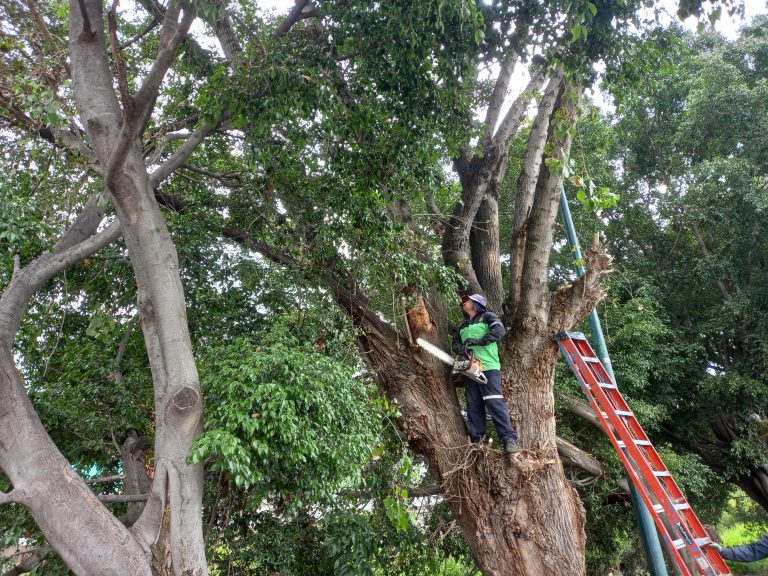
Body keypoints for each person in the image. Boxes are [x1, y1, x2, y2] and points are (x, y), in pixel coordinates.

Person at [451, 293, 519, 454]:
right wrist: (461, 348)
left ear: (476, 303)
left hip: (488, 367)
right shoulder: (463, 325)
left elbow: (499, 331)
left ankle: (509, 439)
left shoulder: (488, 317)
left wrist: (480, 341)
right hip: (470, 369)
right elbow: (455, 342)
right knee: (473, 405)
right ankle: (478, 441)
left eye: (467, 300)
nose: (464, 302)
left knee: (494, 402)